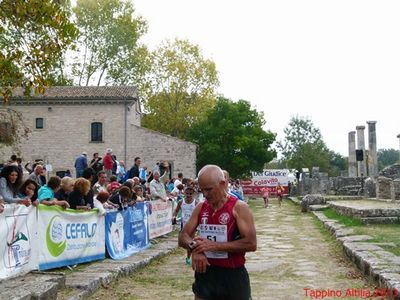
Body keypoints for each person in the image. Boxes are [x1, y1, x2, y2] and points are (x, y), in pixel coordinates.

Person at [178, 165, 256, 300]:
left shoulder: (239, 208)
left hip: (232, 275)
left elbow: (251, 243)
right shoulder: (201, 207)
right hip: (205, 272)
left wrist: (214, 246)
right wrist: (196, 248)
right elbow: (183, 236)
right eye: (202, 190)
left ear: (223, 184)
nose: (206, 194)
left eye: (209, 189)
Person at [173, 185, 197, 265]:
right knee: (185, 243)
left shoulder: (195, 203)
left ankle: (189, 258)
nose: (188, 195)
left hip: (193, 225)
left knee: (191, 241)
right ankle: (189, 256)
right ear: (184, 193)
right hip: (184, 224)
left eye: (190, 194)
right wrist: (174, 216)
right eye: (187, 193)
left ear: (193, 194)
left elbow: (199, 213)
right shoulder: (181, 202)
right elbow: (176, 211)